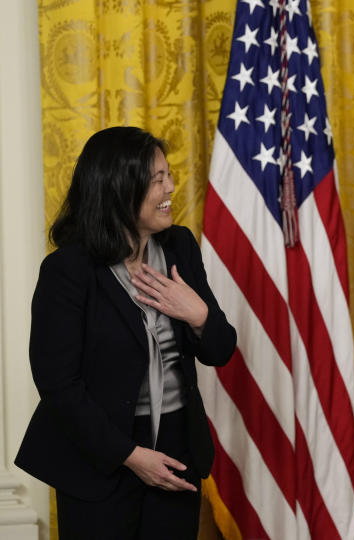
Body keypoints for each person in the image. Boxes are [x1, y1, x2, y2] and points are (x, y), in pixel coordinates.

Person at [16, 126, 237, 538]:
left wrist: (200, 315)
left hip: (175, 449)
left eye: (168, 175)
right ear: (119, 187)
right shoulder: (68, 270)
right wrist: (131, 456)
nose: (171, 186)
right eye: (158, 179)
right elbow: (59, 386)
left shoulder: (180, 247)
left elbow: (220, 350)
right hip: (99, 456)